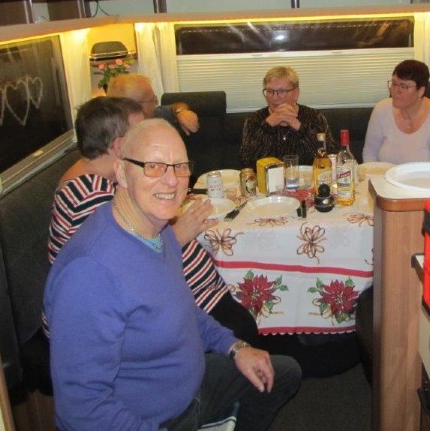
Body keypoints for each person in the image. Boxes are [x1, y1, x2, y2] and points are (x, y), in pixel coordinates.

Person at [44, 119, 301, 431]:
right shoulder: (89, 273)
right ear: (121, 172)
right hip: (152, 420)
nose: (171, 181)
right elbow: (81, 410)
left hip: (192, 388)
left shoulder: (157, 229)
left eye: (180, 167)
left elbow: (182, 308)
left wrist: (235, 347)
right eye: (153, 166)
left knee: (283, 373)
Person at [48, 96, 259, 345]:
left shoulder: (104, 178)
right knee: (245, 329)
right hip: (177, 311)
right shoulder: (92, 198)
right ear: (119, 146)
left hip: (195, 294)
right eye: (142, 133)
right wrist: (180, 234)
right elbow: (131, 271)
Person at [239, 66, 337, 167]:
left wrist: (298, 126)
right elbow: (246, 161)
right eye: (269, 91)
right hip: (267, 177)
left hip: (308, 177)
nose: (274, 97)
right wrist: (268, 125)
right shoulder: (254, 120)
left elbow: (331, 156)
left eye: (281, 91)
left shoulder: (314, 117)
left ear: (296, 93)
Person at [362, 59, 430, 164]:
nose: (395, 91)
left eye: (404, 86)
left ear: (421, 91)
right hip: (384, 175)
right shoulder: (381, 109)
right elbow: (370, 153)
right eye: (394, 84)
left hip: (424, 175)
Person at [108, 73, 200, 136]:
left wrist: (181, 112)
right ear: (136, 107)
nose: (157, 102)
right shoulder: (111, 138)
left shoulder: (155, 115)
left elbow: (176, 106)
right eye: (153, 100)